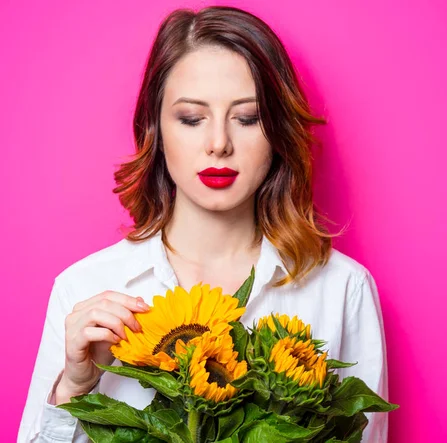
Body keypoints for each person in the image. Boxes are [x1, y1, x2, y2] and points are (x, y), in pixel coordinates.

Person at [18, 5, 389, 442]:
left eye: (247, 118)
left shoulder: (342, 289)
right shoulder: (83, 289)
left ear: (277, 132)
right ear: (155, 127)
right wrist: (74, 388)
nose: (219, 144)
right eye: (192, 119)